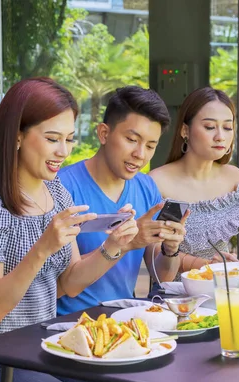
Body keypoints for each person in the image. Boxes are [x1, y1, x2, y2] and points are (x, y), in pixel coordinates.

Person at [0, 77, 139, 382]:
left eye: (68, 139)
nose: (63, 152)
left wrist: (114, 247)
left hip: (41, 350)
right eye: (53, 139)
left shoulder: (57, 193)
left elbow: (70, 282)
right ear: (17, 136)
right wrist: (42, 249)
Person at [57, 86, 188, 316]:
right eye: (131, 139)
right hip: (71, 325)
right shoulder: (63, 188)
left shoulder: (146, 187)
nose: (140, 154)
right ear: (104, 134)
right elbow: (68, 283)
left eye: (150, 146)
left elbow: (162, 277)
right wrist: (126, 242)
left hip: (127, 319)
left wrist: (170, 249)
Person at [149, 87, 239, 282]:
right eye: (210, 127)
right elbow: (155, 259)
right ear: (185, 130)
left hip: (224, 291)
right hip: (175, 299)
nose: (220, 136)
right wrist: (206, 266)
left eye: (227, 127)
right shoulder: (158, 183)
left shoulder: (234, 177)